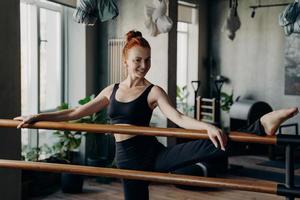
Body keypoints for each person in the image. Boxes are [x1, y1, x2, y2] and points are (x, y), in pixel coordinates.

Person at [14, 30, 299, 200]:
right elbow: (77, 112)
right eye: (138, 60)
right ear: (125, 61)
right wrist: (37, 117)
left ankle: (262, 124)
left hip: (152, 156)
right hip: (125, 161)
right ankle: (261, 126)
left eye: (147, 60)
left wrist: (206, 125)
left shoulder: (153, 91)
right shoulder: (110, 90)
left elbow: (178, 118)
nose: (143, 65)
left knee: (214, 143)